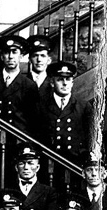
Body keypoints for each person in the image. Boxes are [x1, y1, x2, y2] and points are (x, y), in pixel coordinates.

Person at [37, 60, 91, 189]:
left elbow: (89, 136)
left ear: (72, 82)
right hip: (49, 164)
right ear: (52, 82)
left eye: (68, 79)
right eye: (60, 79)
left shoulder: (83, 106)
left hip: (74, 164)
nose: (65, 83)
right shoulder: (41, 105)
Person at [0, 34, 40, 134]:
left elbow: (33, 121)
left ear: (21, 56)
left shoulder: (29, 85)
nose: (10, 56)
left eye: (14, 52)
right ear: (2, 57)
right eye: (7, 52)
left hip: (17, 139)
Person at [9, 143, 58, 210]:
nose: (26, 167)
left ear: (37, 167)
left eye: (30, 163)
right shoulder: (9, 191)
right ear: (16, 167)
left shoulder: (49, 192)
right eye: (22, 163)